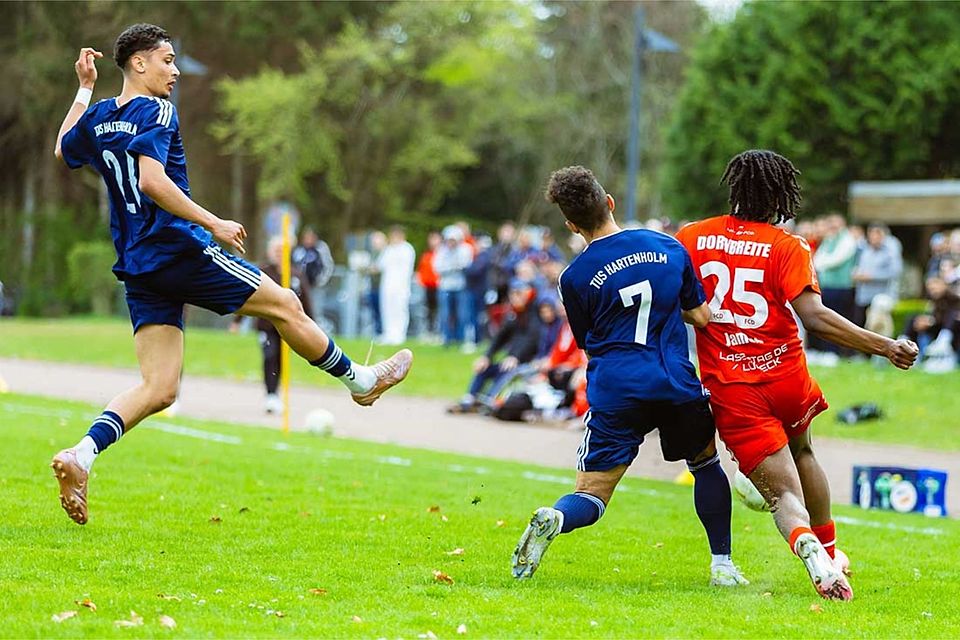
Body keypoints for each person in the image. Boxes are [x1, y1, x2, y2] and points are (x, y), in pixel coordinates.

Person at [50, 25, 413, 526]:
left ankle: (82, 454)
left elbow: (63, 149)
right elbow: (152, 181)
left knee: (160, 388)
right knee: (285, 303)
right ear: (138, 63)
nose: (175, 71)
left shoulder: (101, 117)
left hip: (137, 264)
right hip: (179, 250)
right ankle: (363, 381)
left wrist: (85, 88)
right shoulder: (156, 110)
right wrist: (213, 222)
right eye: (167, 60)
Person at [675, 149, 918, 600]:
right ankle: (831, 551)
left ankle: (809, 547)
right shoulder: (788, 245)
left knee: (783, 496)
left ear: (734, 188)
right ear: (779, 197)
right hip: (785, 374)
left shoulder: (692, 236)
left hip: (733, 385)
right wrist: (885, 345)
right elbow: (815, 317)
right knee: (804, 451)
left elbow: (676, 301)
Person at [512, 166, 747, 588]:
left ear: (571, 225)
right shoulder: (668, 247)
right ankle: (723, 566)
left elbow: (589, 344)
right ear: (610, 203)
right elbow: (700, 316)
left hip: (618, 388)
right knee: (705, 464)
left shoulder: (574, 278)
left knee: (591, 493)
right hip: (674, 382)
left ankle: (558, 518)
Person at [231, 236, 313, 414]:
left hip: (289, 327)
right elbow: (248, 296)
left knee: (281, 359)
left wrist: (311, 324)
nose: (279, 254)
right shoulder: (262, 272)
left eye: (282, 251)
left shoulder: (296, 275)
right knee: (270, 355)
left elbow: (305, 301)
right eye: (276, 250)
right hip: (266, 325)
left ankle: (276, 393)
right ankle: (270, 394)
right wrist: (237, 322)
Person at [447, 279, 542, 413]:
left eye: (519, 293)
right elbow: (499, 339)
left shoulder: (535, 315)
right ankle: (469, 399)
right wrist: (486, 356)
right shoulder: (513, 315)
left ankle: (490, 401)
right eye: (513, 293)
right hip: (509, 362)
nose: (515, 297)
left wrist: (515, 357)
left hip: (528, 363)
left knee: (508, 371)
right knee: (484, 368)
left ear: (528, 294)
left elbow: (531, 340)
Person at [810, 214, 857, 356]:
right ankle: (826, 350)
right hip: (827, 286)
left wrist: (821, 263)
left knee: (837, 320)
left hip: (842, 287)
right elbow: (817, 259)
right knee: (824, 319)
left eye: (836, 223)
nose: (833, 226)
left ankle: (835, 352)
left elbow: (835, 260)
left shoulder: (847, 240)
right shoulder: (830, 239)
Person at [852, 223, 902, 328]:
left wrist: (872, 276)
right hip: (863, 297)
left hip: (880, 298)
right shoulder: (864, 251)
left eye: (878, 233)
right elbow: (856, 267)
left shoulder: (890, 252)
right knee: (859, 326)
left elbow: (895, 272)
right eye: (872, 233)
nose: (874, 236)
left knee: (875, 328)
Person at [433, 225, 473, 347]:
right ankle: (447, 338)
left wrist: (450, 267)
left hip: (461, 286)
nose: (451, 243)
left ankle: (461, 338)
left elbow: (465, 265)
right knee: (445, 314)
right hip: (445, 286)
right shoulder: (441, 250)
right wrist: (453, 267)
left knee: (462, 314)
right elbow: (437, 268)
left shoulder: (466, 249)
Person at [377, 226, 416, 345]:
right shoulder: (388, 249)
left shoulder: (407, 249)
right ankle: (388, 333)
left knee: (399, 310)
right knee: (387, 309)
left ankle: (399, 335)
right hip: (387, 285)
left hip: (401, 286)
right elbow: (380, 265)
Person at [417, 231, 441, 339]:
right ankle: (430, 331)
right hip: (427, 287)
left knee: (440, 310)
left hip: (439, 286)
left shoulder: (442, 254)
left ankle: (439, 331)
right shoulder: (426, 255)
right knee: (429, 310)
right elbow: (421, 271)